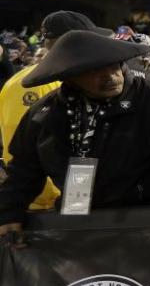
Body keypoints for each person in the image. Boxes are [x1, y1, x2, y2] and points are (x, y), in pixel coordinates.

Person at [0, 30, 150, 242]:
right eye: (95, 71)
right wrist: (9, 213)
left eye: (114, 65)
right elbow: (23, 170)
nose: (111, 76)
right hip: (83, 229)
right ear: (70, 76)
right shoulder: (44, 114)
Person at [0, 11, 111, 212]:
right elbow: (27, 152)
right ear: (69, 41)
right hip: (45, 208)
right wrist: (57, 200)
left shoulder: (72, 78)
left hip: (72, 201)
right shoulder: (31, 85)